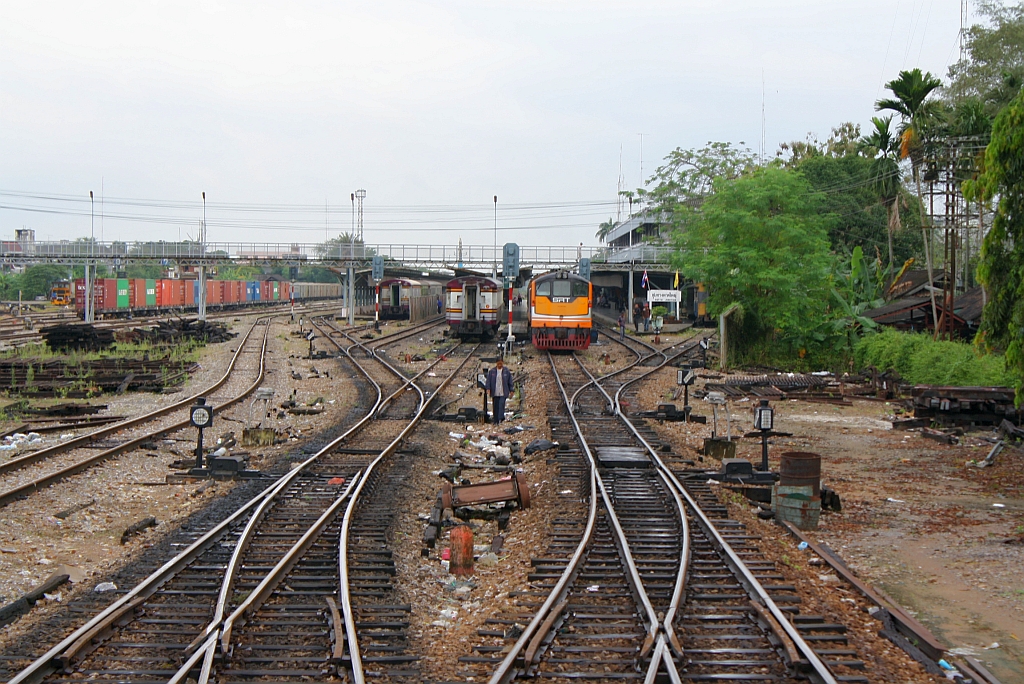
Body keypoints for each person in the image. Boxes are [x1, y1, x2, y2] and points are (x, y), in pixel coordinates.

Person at [486, 358, 513, 425]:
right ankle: (495, 420)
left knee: (501, 404)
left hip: (503, 391)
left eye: (501, 363)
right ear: (496, 363)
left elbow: (510, 381)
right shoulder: (492, 371)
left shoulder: (506, 371)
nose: (500, 365)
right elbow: (488, 381)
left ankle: (500, 418)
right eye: (498, 364)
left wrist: (511, 390)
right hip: (495, 391)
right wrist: (488, 389)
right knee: (495, 406)